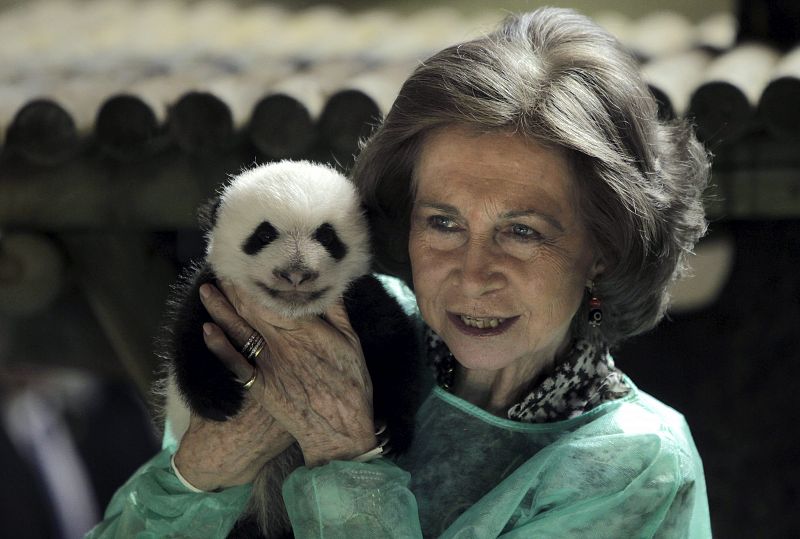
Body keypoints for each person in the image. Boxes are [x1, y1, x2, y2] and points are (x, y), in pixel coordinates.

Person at [87, 7, 711, 538]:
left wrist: (345, 455)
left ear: (603, 247)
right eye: (442, 222)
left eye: (522, 232)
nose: (473, 273)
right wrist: (208, 462)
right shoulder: (344, 333)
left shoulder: (637, 463)